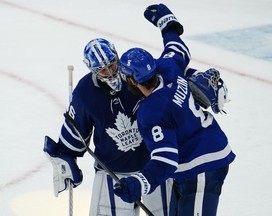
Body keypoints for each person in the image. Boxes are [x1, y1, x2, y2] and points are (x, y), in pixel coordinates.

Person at [113, 3, 235, 216]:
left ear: (132, 79)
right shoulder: (168, 67)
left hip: (202, 166)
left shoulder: (152, 113)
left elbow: (165, 160)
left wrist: (139, 183)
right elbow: (178, 48)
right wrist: (167, 25)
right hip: (196, 161)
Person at [43, 37, 176, 215]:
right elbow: (74, 138)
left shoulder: (135, 73)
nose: (110, 72)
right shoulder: (85, 92)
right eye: (102, 70)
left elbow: (166, 93)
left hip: (153, 167)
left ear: (116, 56)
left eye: (112, 65)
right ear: (91, 68)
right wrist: (66, 160)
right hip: (112, 172)